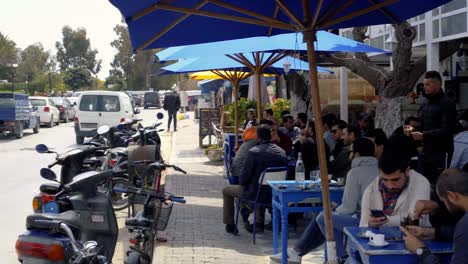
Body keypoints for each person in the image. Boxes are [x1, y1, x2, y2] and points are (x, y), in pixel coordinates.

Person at [271, 138, 378, 263]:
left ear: (357, 154)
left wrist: (335, 209)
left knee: (324, 217)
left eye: (351, 152)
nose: (349, 155)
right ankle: (297, 251)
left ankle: (340, 256)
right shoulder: (380, 169)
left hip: (364, 220)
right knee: (325, 215)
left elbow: (349, 208)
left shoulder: (355, 173)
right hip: (375, 217)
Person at [222, 124, 288, 233]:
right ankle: (259, 222)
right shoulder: (282, 152)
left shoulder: (253, 152)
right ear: (271, 136)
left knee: (227, 191)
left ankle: (230, 225)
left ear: (257, 137)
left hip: (255, 193)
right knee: (261, 186)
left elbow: (243, 178)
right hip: (277, 193)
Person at [401, 169, 468, 263]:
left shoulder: (464, 225)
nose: (443, 205)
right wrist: (434, 233)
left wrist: (420, 250)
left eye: (443, 201)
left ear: (452, 196)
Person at [359, 143, 430, 228]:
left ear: (407, 171)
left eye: (395, 180)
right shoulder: (371, 189)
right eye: (385, 180)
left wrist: (385, 221)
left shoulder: (421, 183)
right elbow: (363, 226)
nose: (390, 186)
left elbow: (417, 220)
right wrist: (369, 224)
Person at [413, 71, 457, 185]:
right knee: (420, 183)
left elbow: (447, 130)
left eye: (428, 84)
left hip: (441, 153)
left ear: (437, 85)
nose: (424, 87)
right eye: (424, 84)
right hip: (425, 151)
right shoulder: (426, 102)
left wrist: (424, 135)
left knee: (439, 185)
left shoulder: (447, 103)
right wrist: (413, 126)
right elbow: (423, 122)